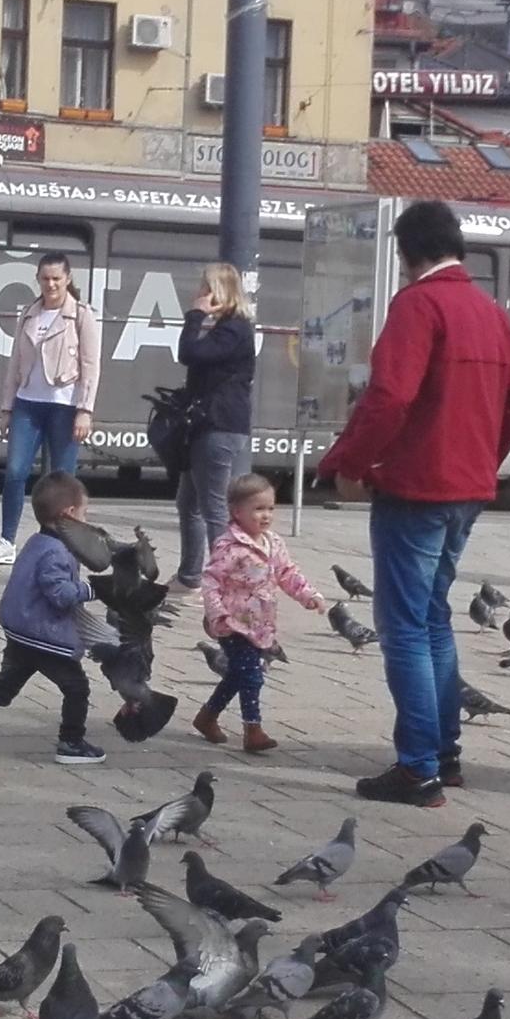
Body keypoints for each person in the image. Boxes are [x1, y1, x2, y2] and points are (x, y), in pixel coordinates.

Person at [318, 199, 510, 807]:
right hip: (467, 487)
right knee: (434, 617)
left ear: (406, 251)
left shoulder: (417, 306)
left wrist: (350, 463)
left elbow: (389, 397)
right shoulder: (491, 313)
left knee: (404, 626)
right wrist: (483, 459)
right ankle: (444, 753)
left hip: (415, 487)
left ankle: (418, 768)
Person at [0, 472, 103, 765]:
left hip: (21, 632)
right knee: (77, 688)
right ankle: (71, 742)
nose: (87, 521)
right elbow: (61, 594)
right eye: (85, 513)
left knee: (5, 687)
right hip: (45, 636)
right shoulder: (57, 552)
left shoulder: (36, 541)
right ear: (69, 515)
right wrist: (92, 590)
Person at [0, 251, 99, 566]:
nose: (51, 284)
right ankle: (6, 540)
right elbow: (14, 363)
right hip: (28, 403)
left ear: (68, 279)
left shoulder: (81, 315)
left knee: (61, 480)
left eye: (56, 279)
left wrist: (84, 410)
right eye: (45, 278)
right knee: (16, 471)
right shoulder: (30, 313)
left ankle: (58, 543)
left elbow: (91, 366)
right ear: (38, 279)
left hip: (64, 405)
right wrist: (7, 407)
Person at [194, 472, 322, 751]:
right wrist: (216, 614)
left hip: (261, 624)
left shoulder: (273, 542)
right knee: (252, 674)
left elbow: (287, 572)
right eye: (258, 509)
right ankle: (253, 730)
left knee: (238, 674)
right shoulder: (229, 546)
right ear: (237, 512)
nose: (266, 516)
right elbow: (211, 580)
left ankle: (207, 716)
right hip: (232, 623)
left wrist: (308, 595)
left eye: (271, 508)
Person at [172, 261, 258, 588]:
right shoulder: (227, 328)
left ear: (220, 292)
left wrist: (195, 315)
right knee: (189, 501)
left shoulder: (233, 329)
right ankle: (190, 574)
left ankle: (225, 578)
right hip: (208, 425)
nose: (200, 294)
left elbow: (189, 352)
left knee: (212, 505)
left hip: (219, 425)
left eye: (206, 288)